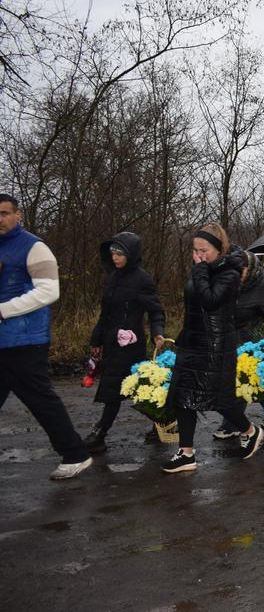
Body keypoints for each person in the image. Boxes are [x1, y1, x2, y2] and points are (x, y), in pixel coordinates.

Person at [0, 194, 92, 480]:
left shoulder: (34, 247)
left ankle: (76, 454)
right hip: (3, 341)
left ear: (19, 214)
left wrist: (3, 310)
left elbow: (49, 291)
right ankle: (75, 452)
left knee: (40, 399)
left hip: (25, 340)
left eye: (4, 213)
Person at [163, 223, 264, 473]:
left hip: (215, 346)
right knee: (183, 397)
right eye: (195, 250)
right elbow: (194, 305)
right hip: (192, 342)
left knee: (218, 398)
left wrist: (199, 271)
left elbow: (210, 301)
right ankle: (186, 453)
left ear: (219, 249)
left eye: (204, 250)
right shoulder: (203, 269)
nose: (198, 255)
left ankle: (250, 431)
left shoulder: (230, 273)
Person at [85, 232, 166, 454]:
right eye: (113, 253)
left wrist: (157, 333)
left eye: (120, 253)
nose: (115, 257)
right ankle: (161, 422)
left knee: (129, 390)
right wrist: (97, 339)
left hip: (132, 345)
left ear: (131, 254)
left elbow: (156, 311)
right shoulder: (112, 277)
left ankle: (102, 433)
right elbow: (105, 314)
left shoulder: (143, 279)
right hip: (112, 342)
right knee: (123, 389)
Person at [213, 250, 264, 438]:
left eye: (241, 270)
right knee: (251, 383)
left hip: (257, 343)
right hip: (234, 340)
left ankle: (231, 424)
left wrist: (261, 337)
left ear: (250, 269)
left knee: (245, 382)